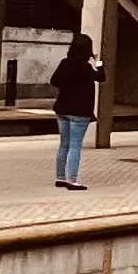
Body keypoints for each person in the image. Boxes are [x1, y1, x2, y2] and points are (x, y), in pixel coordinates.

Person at [48, 30, 99, 189]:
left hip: (63, 109)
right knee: (75, 145)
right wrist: (98, 61)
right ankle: (72, 180)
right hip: (79, 112)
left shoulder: (65, 63)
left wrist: (67, 84)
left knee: (64, 144)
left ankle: (60, 178)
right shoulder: (86, 67)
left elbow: (54, 80)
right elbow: (101, 77)